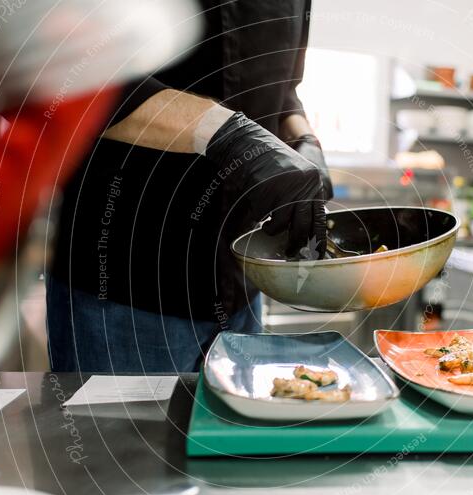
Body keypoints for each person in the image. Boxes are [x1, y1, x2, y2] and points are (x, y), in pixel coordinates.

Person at [46, 0, 333, 373]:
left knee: (231, 431)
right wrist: (230, 135)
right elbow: (61, 70)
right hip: (124, 291)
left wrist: (304, 139)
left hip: (242, 288)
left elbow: (285, 89)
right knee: (119, 433)